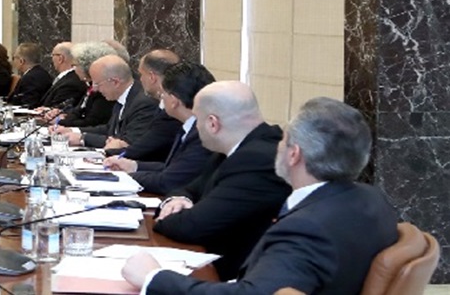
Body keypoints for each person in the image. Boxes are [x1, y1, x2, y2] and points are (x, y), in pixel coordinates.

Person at [124, 97, 399, 295]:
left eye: (283, 140)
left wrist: (154, 277)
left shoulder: (306, 229)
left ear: (294, 155)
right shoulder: (373, 199)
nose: (276, 146)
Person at [150, 81, 292, 277]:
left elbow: (193, 226)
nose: (196, 127)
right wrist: (177, 200)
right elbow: (190, 189)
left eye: (197, 120)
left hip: (237, 276)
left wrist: (163, 217)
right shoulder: (234, 149)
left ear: (212, 123)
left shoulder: (257, 160)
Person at [104, 62, 215, 196]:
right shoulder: (188, 127)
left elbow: (168, 181)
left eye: (162, 94)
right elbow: (173, 167)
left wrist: (122, 176)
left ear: (174, 101)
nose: (161, 100)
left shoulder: (201, 135)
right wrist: (134, 166)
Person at [63, 54, 161, 156]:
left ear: (115, 82)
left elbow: (127, 142)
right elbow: (110, 129)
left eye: (97, 84)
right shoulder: (123, 97)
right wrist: (74, 131)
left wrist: (83, 138)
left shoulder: (144, 103)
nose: (95, 89)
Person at [100, 49, 184, 161]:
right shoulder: (162, 104)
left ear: (152, 77)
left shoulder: (170, 110)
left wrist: (110, 152)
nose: (140, 79)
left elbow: (147, 147)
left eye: (141, 74)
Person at [49, 41, 116, 128]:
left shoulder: (102, 90)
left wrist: (60, 122)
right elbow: (79, 111)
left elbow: (91, 122)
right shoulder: (90, 84)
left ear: (87, 67)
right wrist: (62, 115)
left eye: (75, 65)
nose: (74, 69)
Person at [38, 42, 86, 110]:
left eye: (53, 55)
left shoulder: (70, 84)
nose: (52, 59)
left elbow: (58, 109)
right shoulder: (67, 78)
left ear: (60, 58)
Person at [4, 42, 50, 107]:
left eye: (14, 58)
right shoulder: (42, 73)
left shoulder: (30, 78)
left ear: (21, 61)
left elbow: (28, 104)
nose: (12, 61)